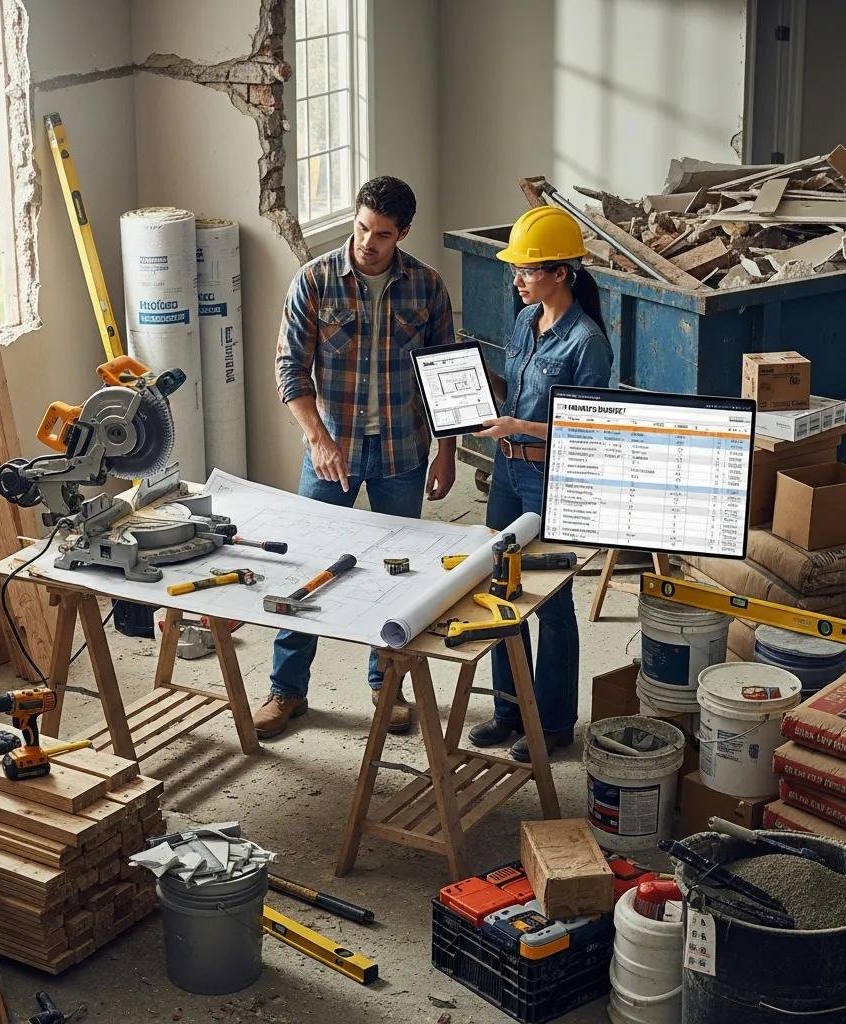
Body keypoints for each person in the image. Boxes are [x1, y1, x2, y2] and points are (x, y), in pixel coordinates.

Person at [262, 176, 457, 740]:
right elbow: (289, 369)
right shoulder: (315, 281)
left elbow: (447, 379)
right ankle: (287, 690)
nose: (368, 243)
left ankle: (387, 688)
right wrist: (319, 439)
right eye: (362, 228)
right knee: (308, 567)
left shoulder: (426, 287)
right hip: (333, 452)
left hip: (402, 451)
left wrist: (446, 456)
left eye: (383, 234)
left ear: (404, 234)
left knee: (398, 575)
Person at [468, 205, 613, 762]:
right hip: (507, 470)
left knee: (550, 601)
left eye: (527, 271)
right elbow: (517, 387)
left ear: (560, 272)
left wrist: (520, 425)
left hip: (549, 477)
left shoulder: (586, 342)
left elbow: (588, 430)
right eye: (517, 270)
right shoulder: (526, 321)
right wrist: (473, 381)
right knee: (499, 589)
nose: (517, 279)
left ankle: (552, 724)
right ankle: (510, 711)